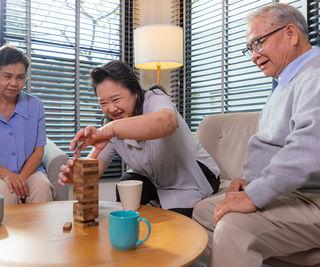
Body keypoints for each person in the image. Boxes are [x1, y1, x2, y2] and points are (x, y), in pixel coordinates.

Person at [192, 3, 320, 267]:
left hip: (313, 197)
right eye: (250, 48)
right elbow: (275, 146)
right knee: (203, 211)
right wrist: (248, 182)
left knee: (233, 228)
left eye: (258, 43)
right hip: (292, 193)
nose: (254, 56)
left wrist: (253, 196)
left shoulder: (315, 76)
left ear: (291, 34)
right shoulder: (284, 84)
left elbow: (309, 148)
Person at [58, 60, 220, 217]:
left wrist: (111, 129)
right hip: (158, 178)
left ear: (135, 92)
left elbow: (167, 122)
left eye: (115, 99)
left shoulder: (154, 98)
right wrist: (78, 177)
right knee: (127, 184)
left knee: (172, 224)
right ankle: (127, 230)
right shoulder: (111, 125)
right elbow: (96, 166)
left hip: (194, 175)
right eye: (103, 103)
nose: (111, 108)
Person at [0, 45, 55, 205]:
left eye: (20, 77)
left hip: (28, 171)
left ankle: (39, 230)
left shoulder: (36, 106)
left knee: (42, 187)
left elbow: (38, 150)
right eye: (7, 76)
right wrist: (8, 176)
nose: (14, 83)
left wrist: (20, 178)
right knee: (6, 191)